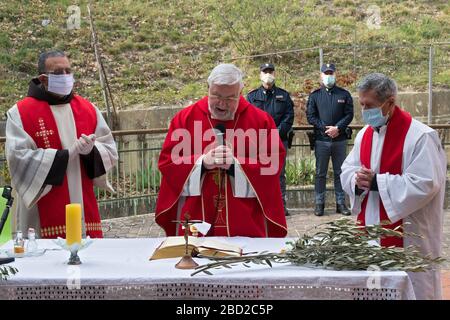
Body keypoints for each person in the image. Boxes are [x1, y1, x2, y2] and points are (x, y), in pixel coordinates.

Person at [340, 73, 446, 300]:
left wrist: (378, 181)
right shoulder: (364, 135)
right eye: (361, 104)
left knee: (413, 287)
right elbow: (348, 169)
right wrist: (356, 181)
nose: (364, 111)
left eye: (369, 105)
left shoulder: (421, 137)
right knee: (373, 288)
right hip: (371, 231)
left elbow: (426, 184)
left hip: (410, 235)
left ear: (390, 103)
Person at [155, 63, 287, 237]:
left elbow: (272, 164)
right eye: (216, 95)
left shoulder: (260, 121)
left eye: (230, 98)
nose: (222, 104)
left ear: (240, 92)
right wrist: (202, 162)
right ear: (208, 88)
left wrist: (235, 165)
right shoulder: (185, 119)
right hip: (195, 218)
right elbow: (168, 164)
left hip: (246, 221)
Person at [5, 50, 118, 239]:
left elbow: (109, 149)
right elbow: (18, 158)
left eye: (68, 71)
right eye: (58, 73)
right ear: (43, 78)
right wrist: (65, 155)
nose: (66, 77)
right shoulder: (20, 113)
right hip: (41, 214)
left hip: (83, 202)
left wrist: (92, 152)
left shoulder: (88, 109)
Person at [247, 63, 294, 216]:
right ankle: (260, 203)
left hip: (279, 141)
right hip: (258, 142)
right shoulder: (252, 96)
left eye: (270, 72)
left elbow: (289, 116)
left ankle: (280, 205)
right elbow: (248, 118)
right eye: (265, 72)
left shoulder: (284, 95)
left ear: (274, 74)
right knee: (258, 172)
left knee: (279, 173)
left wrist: (275, 133)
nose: (268, 74)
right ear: (260, 75)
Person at [306, 63, 353, 216]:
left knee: (341, 172)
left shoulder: (344, 95)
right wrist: (325, 128)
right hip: (321, 140)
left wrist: (338, 128)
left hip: (339, 140)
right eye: (326, 73)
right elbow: (311, 116)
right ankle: (319, 204)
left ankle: (341, 203)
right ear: (321, 76)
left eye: (331, 73)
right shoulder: (315, 95)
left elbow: (349, 114)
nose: (328, 76)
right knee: (320, 173)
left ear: (335, 74)